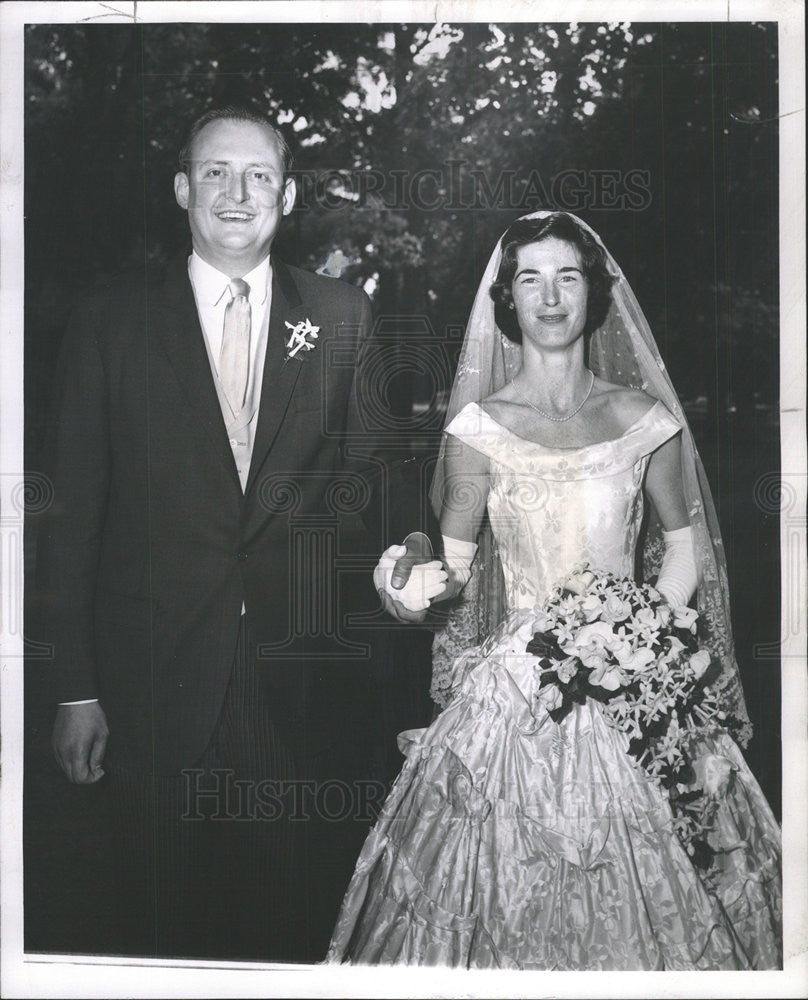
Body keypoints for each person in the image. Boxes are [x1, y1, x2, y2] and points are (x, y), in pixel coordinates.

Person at [327, 212, 782, 969]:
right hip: (513, 700)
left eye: (567, 276)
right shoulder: (479, 429)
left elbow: (682, 545)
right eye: (530, 279)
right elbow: (454, 571)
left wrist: (647, 632)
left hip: (638, 681)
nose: (549, 296)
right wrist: (405, 585)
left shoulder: (645, 422)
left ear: (593, 293)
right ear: (507, 299)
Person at [36, 105, 435, 962]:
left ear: (286, 196)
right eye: (216, 171)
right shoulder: (110, 322)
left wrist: (403, 561)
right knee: (156, 930)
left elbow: (378, 481)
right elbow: (72, 523)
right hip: (151, 686)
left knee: (291, 927)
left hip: (301, 685)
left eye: (259, 175)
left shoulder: (341, 316)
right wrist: (74, 687)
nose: (237, 192)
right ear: (183, 189)